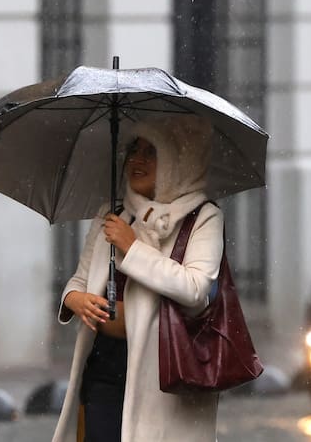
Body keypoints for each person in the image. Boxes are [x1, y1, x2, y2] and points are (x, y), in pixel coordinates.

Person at [52, 114, 223, 442]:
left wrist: (132, 247)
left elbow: (195, 289)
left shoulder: (203, 217)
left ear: (176, 161)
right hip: (104, 367)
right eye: (134, 149)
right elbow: (79, 280)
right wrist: (75, 300)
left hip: (165, 376)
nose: (137, 160)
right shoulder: (112, 212)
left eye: (151, 152)